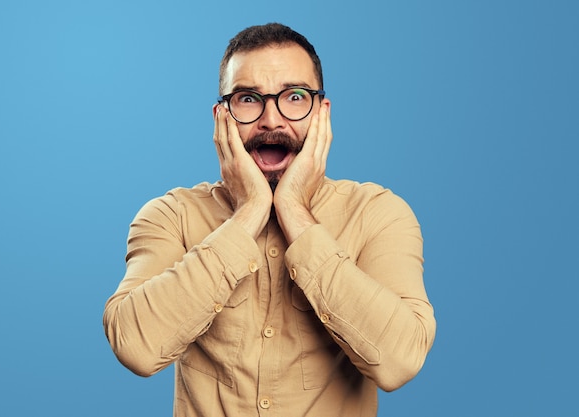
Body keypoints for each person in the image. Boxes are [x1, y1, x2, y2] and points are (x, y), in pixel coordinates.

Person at [103, 22, 436, 417]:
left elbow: (400, 362)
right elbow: (136, 347)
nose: (272, 121)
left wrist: (293, 207)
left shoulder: (379, 213)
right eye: (248, 99)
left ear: (321, 113)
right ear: (221, 116)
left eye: (294, 97)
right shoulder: (169, 216)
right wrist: (250, 212)